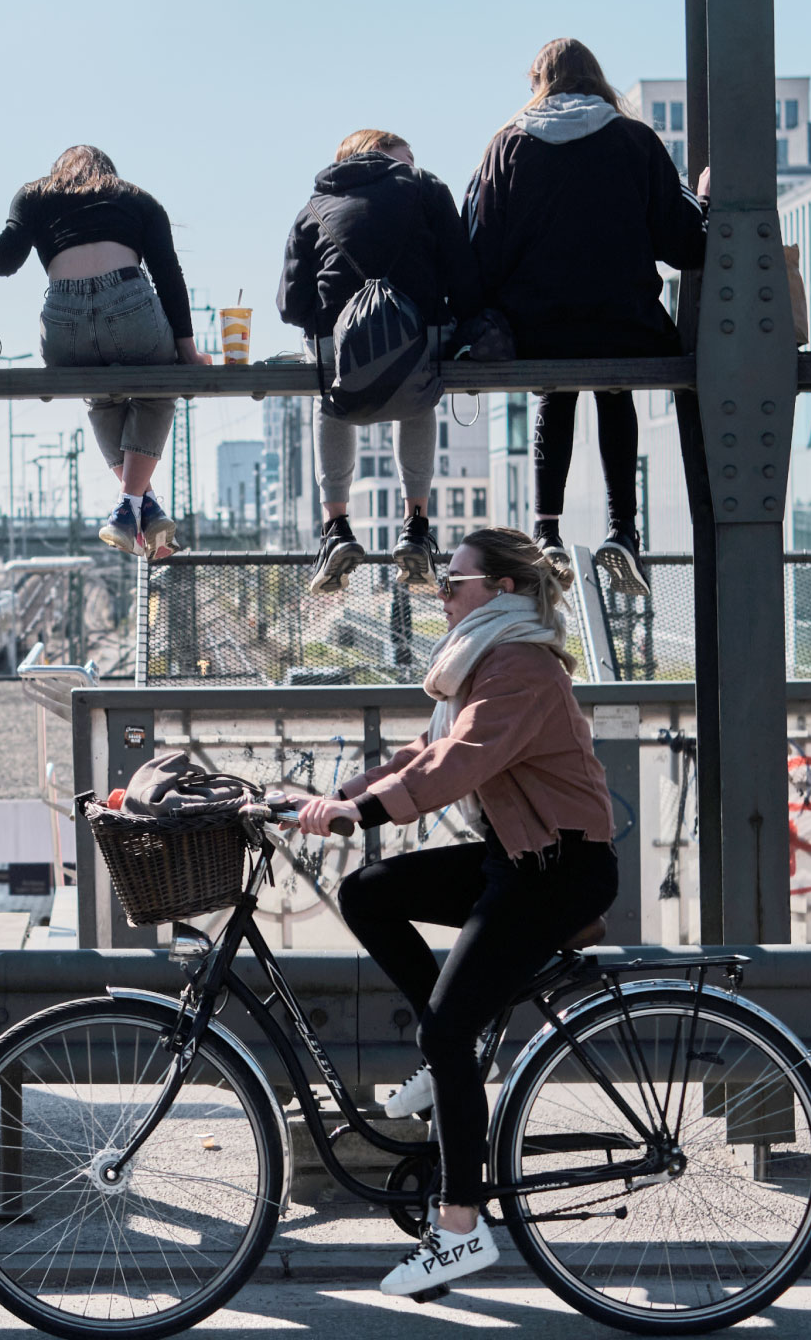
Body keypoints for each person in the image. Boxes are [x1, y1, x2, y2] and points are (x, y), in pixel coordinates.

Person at [285, 526, 618, 1298]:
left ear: (500, 591)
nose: (441, 592)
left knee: (446, 1026)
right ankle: (448, 1065)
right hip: (520, 855)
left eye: (455, 581)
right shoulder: (483, 663)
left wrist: (361, 817)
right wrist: (334, 799)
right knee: (369, 892)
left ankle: (462, 1228)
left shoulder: (522, 667)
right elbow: (421, 753)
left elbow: (459, 762)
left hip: (559, 870)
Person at [462, 38, 708, 594]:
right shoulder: (636, 141)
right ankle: (623, 530)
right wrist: (705, 203)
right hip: (626, 326)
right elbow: (683, 244)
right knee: (614, 387)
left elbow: (482, 252)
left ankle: (546, 531)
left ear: (538, 84)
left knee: (556, 386)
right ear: (597, 80)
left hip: (537, 331)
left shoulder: (508, 146)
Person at [0, 146, 213, 557]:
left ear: (58, 172)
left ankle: (144, 511)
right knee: (160, 382)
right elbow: (169, 276)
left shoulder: (34, 195)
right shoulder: (138, 199)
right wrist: (187, 355)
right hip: (130, 307)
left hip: (64, 326)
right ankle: (129, 506)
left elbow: (5, 261)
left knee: (100, 396)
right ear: (109, 174)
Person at [277, 129, 478, 592]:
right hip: (419, 343)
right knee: (420, 385)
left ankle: (336, 529)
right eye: (407, 157)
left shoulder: (312, 209)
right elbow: (463, 274)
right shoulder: (426, 186)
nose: (412, 163)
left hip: (338, 354)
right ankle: (416, 526)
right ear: (382, 154)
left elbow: (290, 306)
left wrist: (339, 323)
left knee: (327, 387)